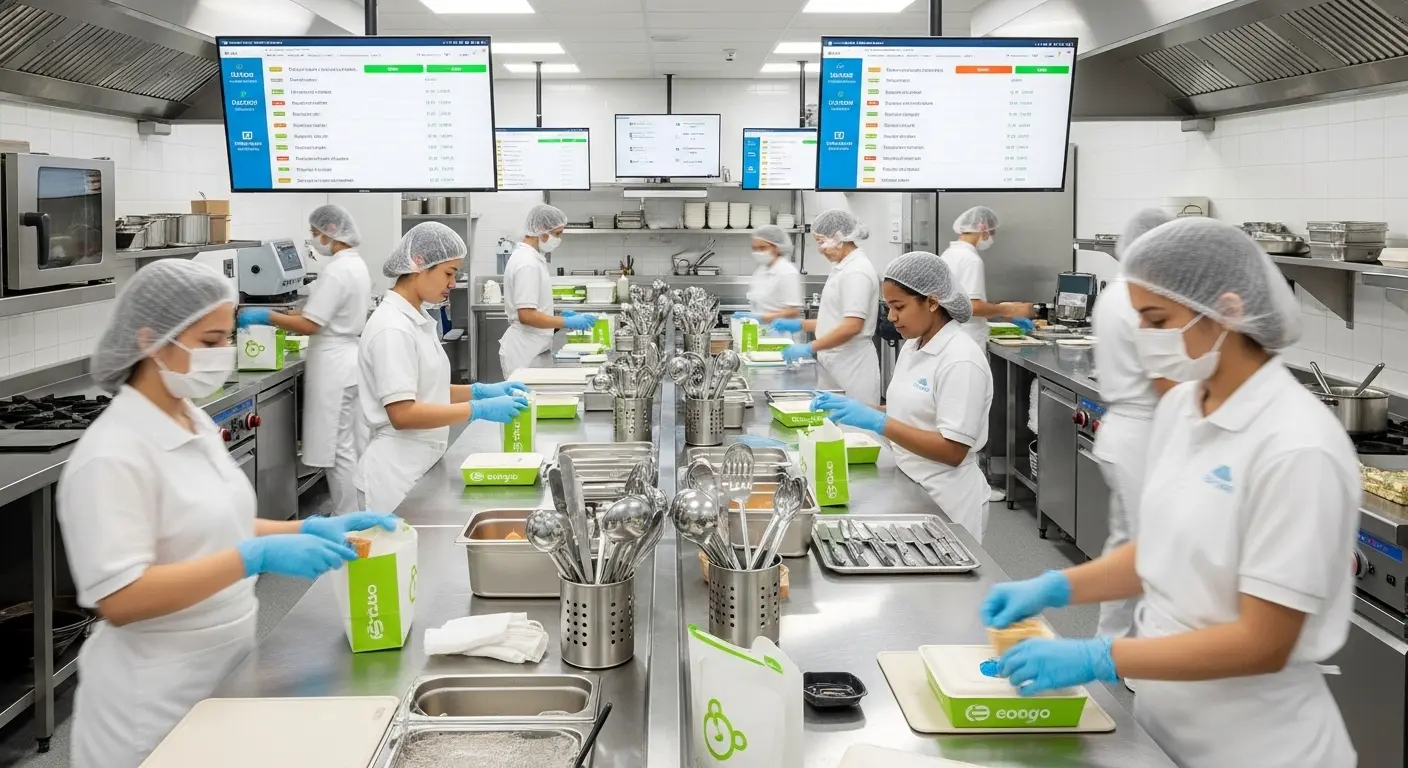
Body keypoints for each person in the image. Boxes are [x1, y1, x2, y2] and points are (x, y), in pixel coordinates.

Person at [980, 218, 1356, 768]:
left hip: (1259, 745)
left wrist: (1103, 655)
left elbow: (1262, 642)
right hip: (1162, 725)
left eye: (1157, 320)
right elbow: (1163, 550)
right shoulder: (1184, 407)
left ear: (1226, 311)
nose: (1143, 338)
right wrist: (1058, 586)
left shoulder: (1297, 447)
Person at [58, 259, 399, 768]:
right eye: (211, 341)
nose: (226, 354)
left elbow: (216, 521)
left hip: (223, 673)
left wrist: (302, 527)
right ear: (153, 339)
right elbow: (120, 598)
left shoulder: (190, 417)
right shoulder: (112, 454)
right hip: (150, 704)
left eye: (228, 337)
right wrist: (253, 557)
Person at [811, 252, 993, 542]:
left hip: (947, 501)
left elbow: (953, 451)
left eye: (899, 307)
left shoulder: (960, 360)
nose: (891, 317)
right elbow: (913, 408)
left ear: (932, 302)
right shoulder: (914, 344)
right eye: (888, 307)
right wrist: (858, 408)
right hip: (911, 482)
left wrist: (879, 422)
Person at [358, 222, 531, 512]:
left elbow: (427, 388)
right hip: (395, 477)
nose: (452, 283)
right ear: (418, 264)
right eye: (448, 273)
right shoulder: (393, 329)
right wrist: (477, 410)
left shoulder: (416, 318)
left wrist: (478, 391)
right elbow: (402, 413)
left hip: (419, 464)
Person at [237, 204, 371, 515]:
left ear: (331, 232)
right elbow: (315, 312)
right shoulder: (354, 265)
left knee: (338, 451)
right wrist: (287, 314)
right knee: (347, 445)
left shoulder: (338, 270)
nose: (314, 241)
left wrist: (266, 316)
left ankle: (348, 518)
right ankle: (355, 512)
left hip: (335, 366)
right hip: (347, 360)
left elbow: (312, 324)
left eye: (315, 234)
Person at [1090, 208, 1176, 641]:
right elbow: (1166, 377)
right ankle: (1144, 664)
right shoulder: (1142, 297)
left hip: (1123, 430)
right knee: (1154, 552)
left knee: (1127, 544)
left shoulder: (1116, 291)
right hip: (1143, 432)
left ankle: (1111, 643)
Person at [768, 209, 881, 404]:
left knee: (853, 429)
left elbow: (852, 326)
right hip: (835, 360)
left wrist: (809, 347)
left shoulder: (856, 272)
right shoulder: (842, 267)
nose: (820, 249)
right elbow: (836, 320)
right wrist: (801, 325)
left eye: (822, 242)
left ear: (839, 238)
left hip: (851, 365)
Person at [500, 204, 596, 377]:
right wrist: (566, 322)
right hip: (525, 352)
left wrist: (558, 315)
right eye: (557, 234)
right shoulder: (527, 263)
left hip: (534, 348)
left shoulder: (532, 258)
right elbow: (526, 315)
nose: (559, 239)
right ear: (542, 233)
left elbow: (533, 307)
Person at [939, 206, 1037, 351]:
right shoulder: (970, 259)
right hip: (967, 339)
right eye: (992, 232)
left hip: (951, 334)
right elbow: (972, 306)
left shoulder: (949, 254)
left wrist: (1000, 312)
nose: (992, 237)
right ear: (982, 227)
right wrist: (1009, 309)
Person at [734, 224, 803, 326]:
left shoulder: (787, 271)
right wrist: (751, 316)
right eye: (755, 248)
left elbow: (793, 311)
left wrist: (764, 318)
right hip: (759, 330)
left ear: (777, 248)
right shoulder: (761, 269)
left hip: (777, 332)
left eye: (762, 248)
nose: (758, 252)